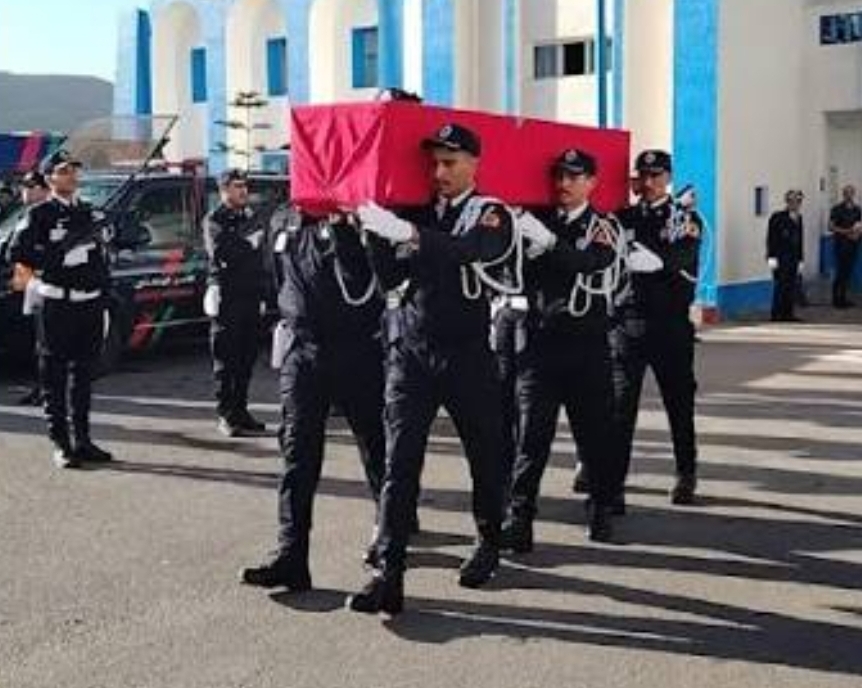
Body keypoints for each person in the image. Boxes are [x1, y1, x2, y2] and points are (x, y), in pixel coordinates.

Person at [346, 123, 514, 615]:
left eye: (450, 163)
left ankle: (488, 539)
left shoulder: (491, 213)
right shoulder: (415, 212)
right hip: (413, 352)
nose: (439, 172)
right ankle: (389, 570)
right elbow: (389, 278)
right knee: (399, 463)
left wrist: (409, 234)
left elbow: (470, 253)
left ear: (473, 164)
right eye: (434, 163)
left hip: (467, 354)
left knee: (484, 453)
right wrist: (373, 235)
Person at [240, 207, 387, 590]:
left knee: (377, 445)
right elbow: (276, 274)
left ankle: (389, 538)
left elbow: (362, 282)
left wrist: (344, 230)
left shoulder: (353, 220)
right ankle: (291, 556)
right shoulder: (281, 220)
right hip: (303, 351)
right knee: (297, 452)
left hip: (357, 350)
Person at [502, 148, 625, 548]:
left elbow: (591, 263)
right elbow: (516, 275)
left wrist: (549, 243)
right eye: (560, 176)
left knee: (595, 435)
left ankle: (601, 508)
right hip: (540, 344)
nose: (564, 184)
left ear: (592, 182)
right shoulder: (537, 222)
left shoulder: (602, 226)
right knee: (530, 437)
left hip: (586, 345)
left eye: (574, 177)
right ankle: (520, 518)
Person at [7, 150, 113, 468]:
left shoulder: (89, 213)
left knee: (83, 376)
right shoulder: (39, 215)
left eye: (74, 170)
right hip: (58, 304)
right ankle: (61, 443)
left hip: (89, 303)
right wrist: (55, 258)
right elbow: (17, 252)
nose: (71, 176)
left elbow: (102, 256)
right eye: (64, 171)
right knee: (53, 376)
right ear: (50, 177)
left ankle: (83, 439)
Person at [614, 150, 703, 505]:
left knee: (679, 404)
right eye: (643, 175)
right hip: (629, 323)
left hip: (670, 325)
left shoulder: (684, 219)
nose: (648, 183)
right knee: (620, 408)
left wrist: (656, 259)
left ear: (667, 177)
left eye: (655, 175)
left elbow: (681, 257)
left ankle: (686, 472)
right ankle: (611, 481)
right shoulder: (623, 217)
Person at [202, 169, 267, 437]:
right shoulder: (214, 219)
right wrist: (246, 243)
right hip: (227, 296)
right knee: (226, 361)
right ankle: (225, 413)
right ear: (224, 190)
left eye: (244, 186)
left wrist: (263, 294)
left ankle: (241, 410)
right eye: (237, 186)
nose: (243, 191)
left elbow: (259, 257)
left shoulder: (250, 216)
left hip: (250, 295)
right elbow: (220, 252)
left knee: (246, 358)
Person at [9, 171, 52, 405]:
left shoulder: (48, 216)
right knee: (33, 341)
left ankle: (47, 390)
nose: (25, 190)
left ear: (44, 190)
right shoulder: (26, 215)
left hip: (44, 285)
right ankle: (39, 387)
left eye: (30, 186)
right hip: (25, 285)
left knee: (45, 341)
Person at [766, 190, 805, 322]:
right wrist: (771, 257)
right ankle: (776, 314)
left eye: (798, 201)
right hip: (781, 257)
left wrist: (801, 259)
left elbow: (800, 240)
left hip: (793, 257)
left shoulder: (799, 218)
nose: (795, 204)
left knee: (791, 286)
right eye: (792, 201)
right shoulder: (777, 217)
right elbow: (771, 238)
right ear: (787, 201)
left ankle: (788, 314)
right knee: (780, 286)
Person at [829, 185, 861, 309]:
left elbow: (859, 224)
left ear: (854, 194)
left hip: (854, 245)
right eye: (847, 193)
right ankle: (836, 300)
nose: (849, 195)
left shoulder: (857, 209)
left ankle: (844, 298)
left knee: (848, 273)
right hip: (841, 245)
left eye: (851, 193)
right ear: (843, 194)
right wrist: (846, 232)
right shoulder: (837, 209)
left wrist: (857, 234)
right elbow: (831, 227)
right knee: (840, 273)